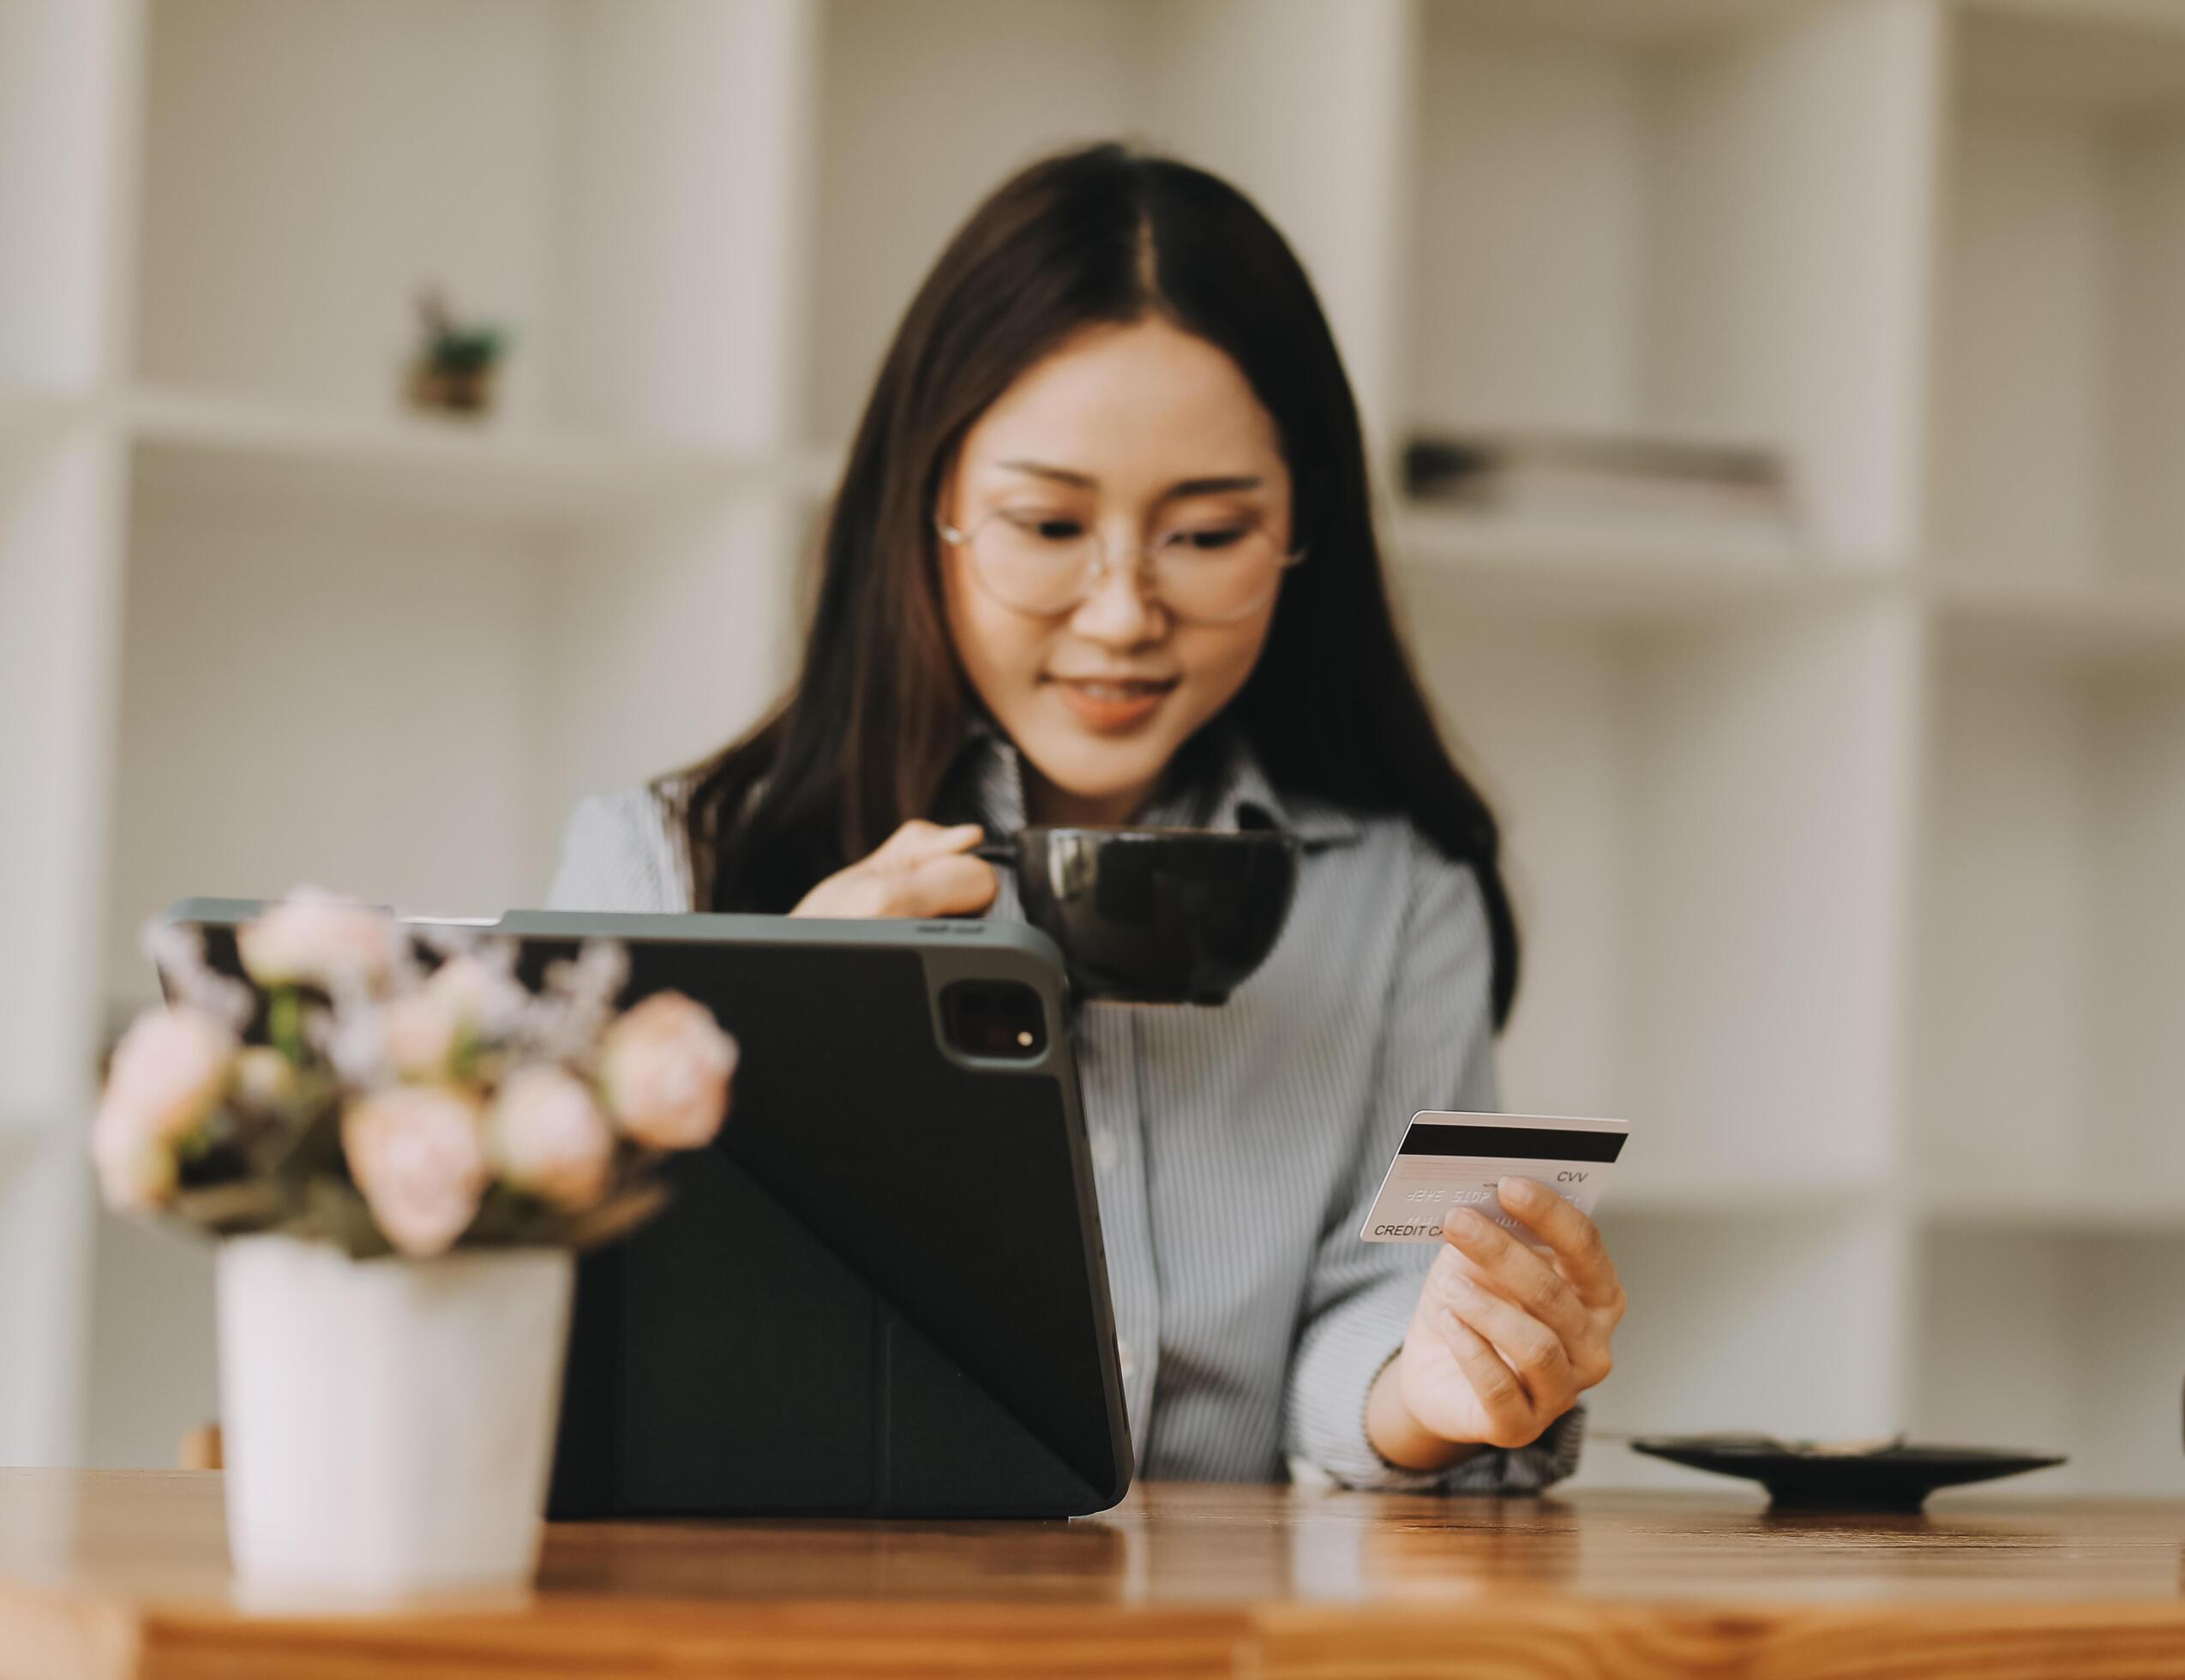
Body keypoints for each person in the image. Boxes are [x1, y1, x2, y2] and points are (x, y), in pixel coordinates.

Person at [548, 143, 1625, 1488]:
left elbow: (1375, 1307)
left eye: (1208, 536)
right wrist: (781, 1043)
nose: (1121, 617)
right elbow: (570, 1341)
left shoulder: (1398, 897)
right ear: (925, 511)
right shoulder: (665, 862)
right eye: (1049, 527)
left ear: (1304, 532)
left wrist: (1445, 1382)